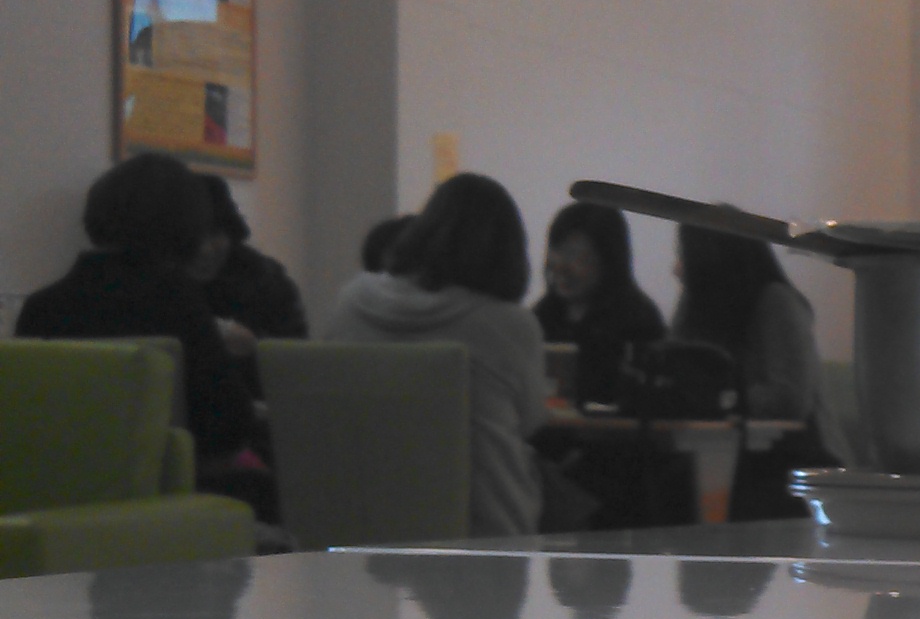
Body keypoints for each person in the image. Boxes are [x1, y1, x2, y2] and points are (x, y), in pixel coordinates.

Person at [14, 153, 273, 514]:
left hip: (54, 501)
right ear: (188, 226)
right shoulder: (175, 301)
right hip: (165, 501)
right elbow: (227, 428)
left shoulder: (40, 307)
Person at [318, 173, 552, 537]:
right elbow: (532, 421)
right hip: (482, 533)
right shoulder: (509, 325)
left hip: (357, 523)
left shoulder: (350, 303)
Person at [671, 221, 840, 517]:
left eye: (685, 257)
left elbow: (790, 399)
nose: (676, 270)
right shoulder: (698, 311)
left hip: (795, 464)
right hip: (737, 456)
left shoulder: (777, 303)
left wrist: (722, 398)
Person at [530, 200, 665, 405]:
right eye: (556, 251)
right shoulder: (543, 315)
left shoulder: (638, 320)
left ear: (608, 259)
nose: (560, 266)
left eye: (574, 254)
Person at [199, 173, 307, 347]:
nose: (204, 249)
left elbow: (293, 352)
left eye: (214, 234)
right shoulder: (166, 285)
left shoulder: (267, 281)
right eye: (194, 238)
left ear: (231, 233)